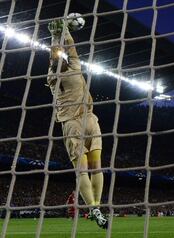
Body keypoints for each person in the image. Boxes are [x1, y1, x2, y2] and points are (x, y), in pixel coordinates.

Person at [47, 20, 107, 229]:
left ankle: (94, 207)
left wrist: (58, 34)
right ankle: (96, 207)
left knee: (86, 169)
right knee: (93, 167)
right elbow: (63, 52)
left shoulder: (54, 77)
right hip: (84, 121)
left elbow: (58, 54)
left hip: (77, 123)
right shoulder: (65, 71)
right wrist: (62, 32)